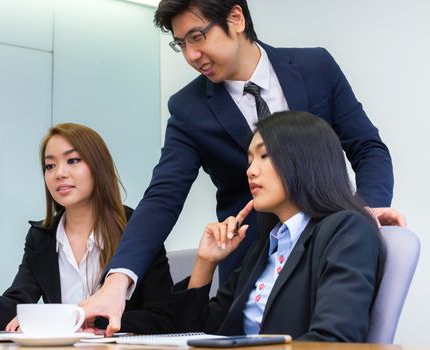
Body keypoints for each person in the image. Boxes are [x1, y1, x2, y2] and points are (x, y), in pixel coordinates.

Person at [81, 0, 404, 335]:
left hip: (328, 252)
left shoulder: (315, 67)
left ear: (235, 18)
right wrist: (118, 281)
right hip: (254, 258)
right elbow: (163, 196)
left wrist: (364, 211)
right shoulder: (188, 108)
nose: (191, 55)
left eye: (197, 37)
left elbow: (367, 148)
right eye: (181, 45)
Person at [0, 123, 174, 334]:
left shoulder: (138, 229)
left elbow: (162, 318)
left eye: (72, 161)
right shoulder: (42, 237)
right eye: (50, 165)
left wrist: (80, 321)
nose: (59, 173)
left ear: (98, 167)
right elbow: (12, 311)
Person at [172, 110, 382, 342]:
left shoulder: (345, 230)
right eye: (249, 160)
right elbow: (195, 335)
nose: (250, 170)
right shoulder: (267, 245)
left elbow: (334, 339)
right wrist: (206, 262)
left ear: (306, 159)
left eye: (265, 155)